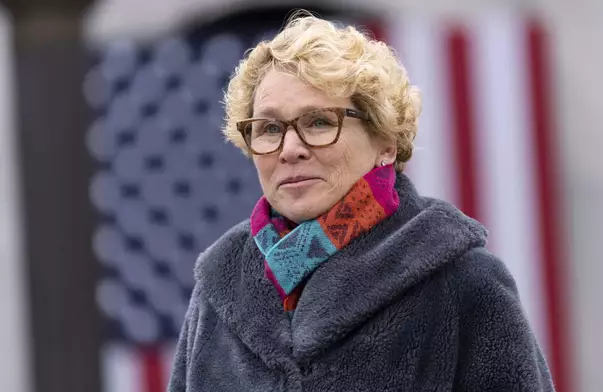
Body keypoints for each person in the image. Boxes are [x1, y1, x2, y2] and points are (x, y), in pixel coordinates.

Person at [168, 11, 555, 392]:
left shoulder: (460, 279)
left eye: (319, 122)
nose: (290, 149)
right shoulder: (219, 285)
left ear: (385, 142)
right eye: (269, 128)